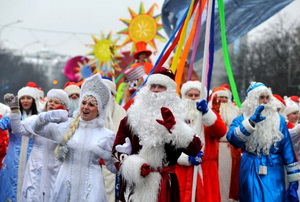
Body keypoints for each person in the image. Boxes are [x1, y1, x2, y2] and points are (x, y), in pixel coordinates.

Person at [12, 74, 117, 201]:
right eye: (83, 102)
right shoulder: (67, 126)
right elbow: (38, 129)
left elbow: (113, 167)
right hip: (64, 184)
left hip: (92, 188)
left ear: (99, 110)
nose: (85, 107)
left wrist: (126, 160)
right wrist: (46, 117)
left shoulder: (107, 135)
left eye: (91, 104)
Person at [112, 67, 202, 202]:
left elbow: (194, 149)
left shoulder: (179, 120)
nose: (155, 90)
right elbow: (116, 150)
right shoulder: (130, 119)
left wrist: (176, 129)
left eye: (161, 87)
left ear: (170, 93)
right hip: (135, 187)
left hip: (165, 185)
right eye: (153, 86)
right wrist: (135, 166)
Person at [227, 82, 300, 201]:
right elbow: (233, 140)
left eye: (267, 98)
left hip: (274, 168)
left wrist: (294, 178)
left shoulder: (279, 120)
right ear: (252, 100)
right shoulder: (241, 119)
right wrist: (250, 123)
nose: (265, 101)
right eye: (261, 97)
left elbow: (287, 149)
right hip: (251, 166)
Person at [5, 88, 71, 202]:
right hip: (35, 167)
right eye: (50, 101)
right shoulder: (37, 119)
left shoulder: (68, 124)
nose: (52, 104)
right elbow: (18, 129)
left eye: (56, 102)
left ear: (63, 107)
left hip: (57, 167)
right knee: (32, 196)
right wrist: (15, 111)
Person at [175, 81, 227, 202]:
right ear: (184, 96)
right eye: (190, 95)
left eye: (196, 95)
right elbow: (170, 145)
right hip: (183, 170)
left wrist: (206, 114)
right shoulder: (177, 117)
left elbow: (221, 132)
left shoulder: (209, 115)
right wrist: (186, 158)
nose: (193, 98)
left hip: (207, 170)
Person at [0, 86, 39, 202]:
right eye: (23, 98)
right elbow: (1, 124)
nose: (25, 101)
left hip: (32, 159)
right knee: (9, 189)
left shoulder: (39, 118)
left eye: (29, 98)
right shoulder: (10, 117)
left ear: (34, 100)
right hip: (12, 160)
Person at [210, 84, 241, 202]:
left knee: (230, 179)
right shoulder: (210, 112)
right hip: (214, 148)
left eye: (225, 98)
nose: (222, 100)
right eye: (219, 97)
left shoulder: (236, 112)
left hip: (231, 149)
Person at [102, 77, 127, 202]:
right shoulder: (89, 111)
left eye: (109, 93)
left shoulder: (122, 113)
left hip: (114, 165)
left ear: (113, 95)